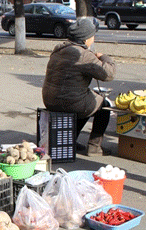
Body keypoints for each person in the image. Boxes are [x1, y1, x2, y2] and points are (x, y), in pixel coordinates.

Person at [42, 18, 116, 156]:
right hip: (67, 102)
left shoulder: (60, 49)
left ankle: (70, 140)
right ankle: (95, 147)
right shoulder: (83, 55)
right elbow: (108, 74)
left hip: (50, 99)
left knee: (88, 100)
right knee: (104, 104)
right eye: (92, 36)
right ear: (86, 38)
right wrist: (104, 57)